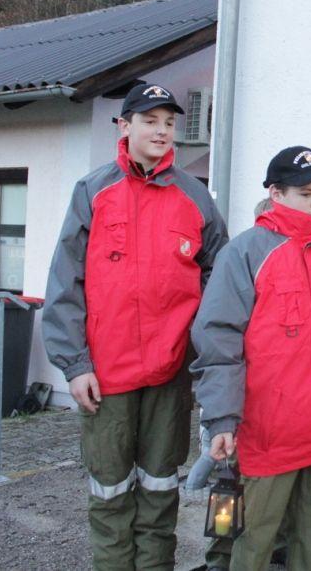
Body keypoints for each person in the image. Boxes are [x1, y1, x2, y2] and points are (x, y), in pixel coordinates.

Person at [42, 82, 228, 569]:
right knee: (110, 494)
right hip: (107, 374)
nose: (162, 131)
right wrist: (75, 364)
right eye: (150, 121)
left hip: (170, 372)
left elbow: (220, 277)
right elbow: (66, 282)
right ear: (125, 128)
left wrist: (198, 348)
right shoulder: (93, 191)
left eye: (169, 122)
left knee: (160, 488)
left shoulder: (195, 196)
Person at [191, 146, 311, 571]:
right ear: (276, 194)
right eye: (305, 194)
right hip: (265, 433)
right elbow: (218, 341)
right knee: (252, 541)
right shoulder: (245, 253)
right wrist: (222, 418)